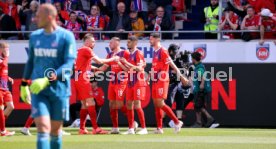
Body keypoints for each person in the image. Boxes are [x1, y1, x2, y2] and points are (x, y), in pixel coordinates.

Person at [20, 4, 76, 149]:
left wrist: (46, 79)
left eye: (38, 15)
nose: (34, 18)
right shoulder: (34, 37)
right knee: (43, 128)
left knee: (55, 132)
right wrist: (24, 85)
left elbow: (68, 66)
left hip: (60, 91)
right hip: (39, 92)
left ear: (50, 17)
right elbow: (31, 61)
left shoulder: (66, 36)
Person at [74, 33, 115, 135]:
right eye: (92, 41)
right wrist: (113, 59)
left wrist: (94, 68)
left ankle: (82, 128)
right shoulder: (87, 49)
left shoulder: (79, 50)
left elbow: (83, 64)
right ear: (86, 41)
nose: (94, 43)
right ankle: (96, 128)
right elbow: (99, 61)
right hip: (83, 79)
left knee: (84, 104)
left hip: (77, 78)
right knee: (91, 102)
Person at [149, 33, 187, 134]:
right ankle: (159, 128)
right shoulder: (155, 52)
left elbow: (172, 64)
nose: (150, 41)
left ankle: (177, 121)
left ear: (157, 39)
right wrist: (148, 77)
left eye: (151, 39)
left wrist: (182, 77)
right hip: (155, 80)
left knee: (160, 103)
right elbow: (154, 67)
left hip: (162, 80)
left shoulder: (163, 51)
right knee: (156, 104)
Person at [94, 37, 130, 134]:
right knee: (111, 104)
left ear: (117, 43)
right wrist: (93, 73)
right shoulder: (110, 54)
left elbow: (128, 69)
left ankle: (132, 123)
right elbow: (104, 67)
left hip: (122, 81)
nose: (109, 44)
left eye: (111, 42)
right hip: (112, 82)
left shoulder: (125, 53)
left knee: (119, 104)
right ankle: (115, 127)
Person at [119, 36, 148, 135]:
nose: (127, 44)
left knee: (137, 104)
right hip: (130, 81)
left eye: (129, 42)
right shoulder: (130, 55)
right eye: (127, 42)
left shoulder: (138, 53)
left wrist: (126, 62)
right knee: (129, 104)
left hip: (138, 81)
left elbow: (139, 69)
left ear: (135, 42)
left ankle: (144, 128)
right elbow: (129, 69)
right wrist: (120, 63)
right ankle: (131, 128)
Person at [190, 52, 219, 128]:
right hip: (199, 89)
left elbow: (203, 76)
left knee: (199, 106)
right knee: (198, 106)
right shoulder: (198, 66)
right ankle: (199, 122)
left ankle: (210, 120)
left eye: (192, 58)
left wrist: (202, 84)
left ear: (194, 59)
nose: (191, 60)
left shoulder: (199, 67)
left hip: (201, 90)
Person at [0, 42, 15, 136]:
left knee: (10, 106)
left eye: (8, 49)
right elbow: (3, 64)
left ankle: (1, 128)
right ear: (0, 49)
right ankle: (2, 131)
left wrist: (7, 77)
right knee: (1, 108)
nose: (7, 51)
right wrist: (6, 57)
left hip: (5, 88)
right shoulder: (3, 59)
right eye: (6, 48)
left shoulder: (3, 59)